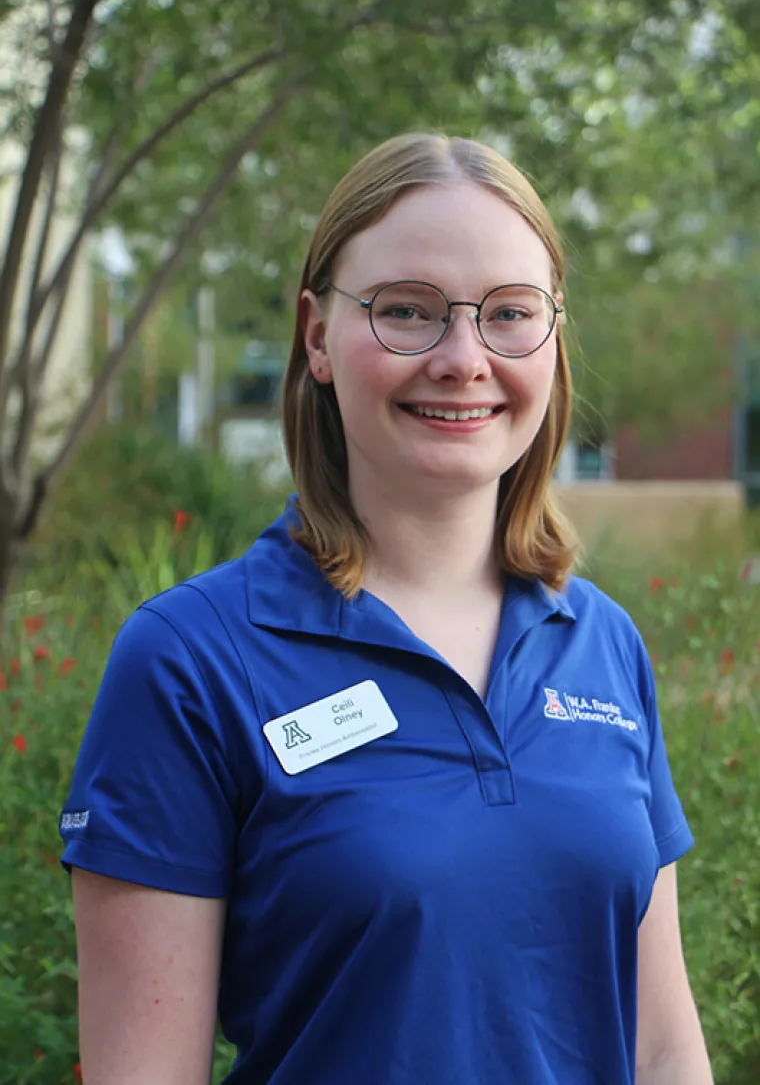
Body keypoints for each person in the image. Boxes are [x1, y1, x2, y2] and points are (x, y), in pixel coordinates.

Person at [60, 133, 712, 1084]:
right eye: (407, 311)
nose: (463, 358)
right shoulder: (190, 660)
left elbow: (661, 1044)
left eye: (509, 314)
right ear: (318, 336)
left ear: (553, 338)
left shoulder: (601, 644)